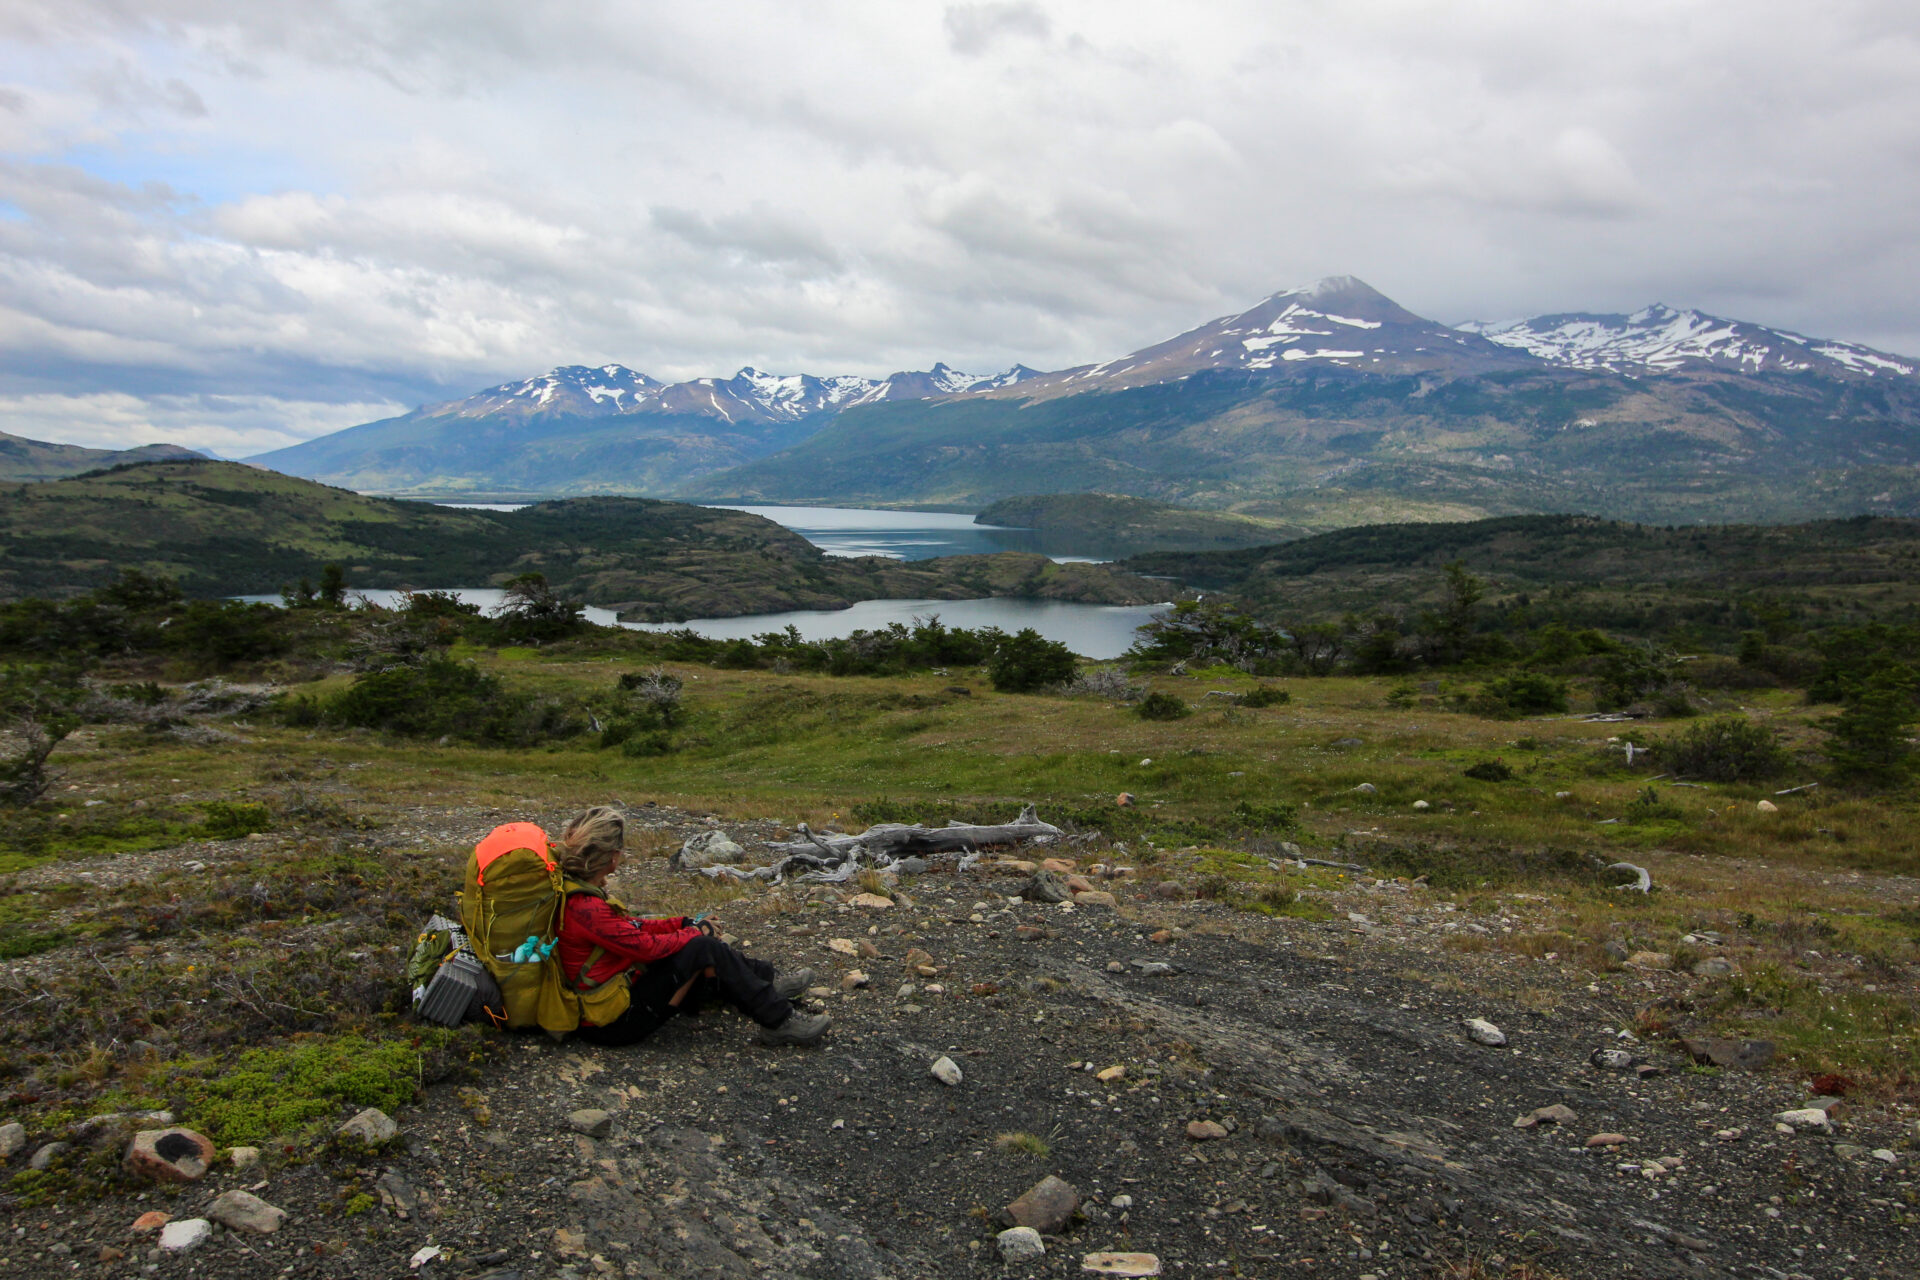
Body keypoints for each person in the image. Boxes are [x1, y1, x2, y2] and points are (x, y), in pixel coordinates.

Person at [553, 806, 829, 1047]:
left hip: (615, 1001)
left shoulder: (580, 893)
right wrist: (695, 932)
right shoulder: (587, 908)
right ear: (612, 856)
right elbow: (645, 948)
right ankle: (778, 1020)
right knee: (701, 948)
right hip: (612, 1024)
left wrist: (683, 923)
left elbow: (631, 927)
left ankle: (768, 982)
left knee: (699, 947)